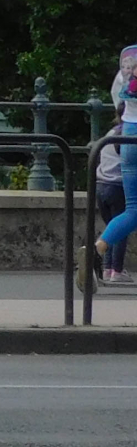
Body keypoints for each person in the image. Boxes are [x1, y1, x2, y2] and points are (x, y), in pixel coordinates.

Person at [91, 47, 137, 288]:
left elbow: (118, 98)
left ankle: (96, 250)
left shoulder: (127, 62)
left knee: (133, 210)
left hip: (127, 134)